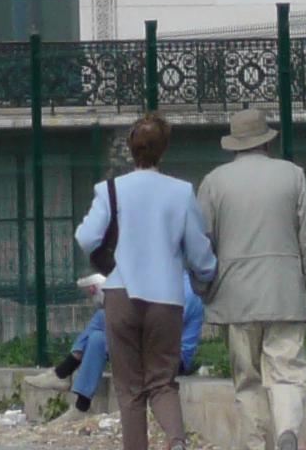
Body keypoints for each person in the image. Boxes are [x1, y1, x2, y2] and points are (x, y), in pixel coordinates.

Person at [73, 116, 214, 450]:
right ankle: (176, 440)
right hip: (167, 297)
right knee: (162, 382)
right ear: (163, 150)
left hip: (120, 294)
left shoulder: (110, 190)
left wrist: (111, 260)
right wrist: (207, 274)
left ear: (131, 149)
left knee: (130, 389)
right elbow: (201, 256)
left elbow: (86, 236)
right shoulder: (181, 192)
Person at [194, 107, 306, 450]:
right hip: (285, 292)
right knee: (288, 370)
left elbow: (201, 244)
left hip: (235, 297)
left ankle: (255, 444)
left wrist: (205, 289)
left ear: (234, 146)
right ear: (267, 143)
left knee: (247, 380)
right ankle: (287, 433)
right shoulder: (293, 175)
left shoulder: (213, 182)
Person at [63, 268, 203, 411]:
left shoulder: (187, 290)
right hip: (152, 348)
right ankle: (80, 407)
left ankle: (65, 369)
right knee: (97, 338)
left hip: (172, 358)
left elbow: (161, 327)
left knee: (105, 316)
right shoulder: (165, 282)